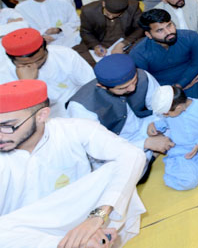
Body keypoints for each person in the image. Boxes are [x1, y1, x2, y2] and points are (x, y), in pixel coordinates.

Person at [0, 79, 146, 247]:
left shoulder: (73, 129)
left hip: (81, 218)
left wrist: (97, 217)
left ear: (41, 115)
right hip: (26, 234)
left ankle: (90, 238)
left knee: (118, 169)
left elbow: (133, 155)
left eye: (7, 126)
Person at [66, 54, 174, 164]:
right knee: (122, 166)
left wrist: (157, 125)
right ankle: (150, 155)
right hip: (117, 140)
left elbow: (159, 108)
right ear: (102, 86)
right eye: (123, 88)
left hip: (145, 126)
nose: (132, 88)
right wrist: (145, 143)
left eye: (134, 81)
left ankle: (151, 155)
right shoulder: (80, 106)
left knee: (182, 123)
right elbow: (98, 147)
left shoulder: (143, 75)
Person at [131, 9, 198, 102]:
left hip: (190, 75)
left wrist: (180, 85)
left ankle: (182, 101)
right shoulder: (138, 53)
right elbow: (147, 82)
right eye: (160, 30)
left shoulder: (191, 37)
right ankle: (194, 98)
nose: (169, 32)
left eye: (169, 25)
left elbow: (196, 65)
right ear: (148, 34)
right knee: (150, 97)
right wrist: (174, 89)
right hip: (164, 86)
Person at [0, 28, 94, 118]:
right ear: (12, 60)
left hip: (78, 104)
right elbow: (21, 115)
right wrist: (26, 84)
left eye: (39, 60)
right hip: (45, 118)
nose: (34, 66)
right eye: (26, 64)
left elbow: (91, 85)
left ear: (46, 49)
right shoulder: (4, 75)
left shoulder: (64, 54)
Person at [74, 0, 144, 66]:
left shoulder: (133, 7)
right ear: (103, 4)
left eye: (116, 16)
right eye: (107, 14)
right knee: (79, 61)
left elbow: (140, 28)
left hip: (126, 41)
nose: (111, 17)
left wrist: (123, 44)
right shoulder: (88, 10)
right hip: (99, 41)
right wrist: (96, 46)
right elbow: (85, 32)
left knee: (135, 59)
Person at [14, 0, 80, 48]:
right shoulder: (20, 8)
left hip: (65, 38)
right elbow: (23, 30)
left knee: (79, 35)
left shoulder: (62, 2)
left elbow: (75, 21)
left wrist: (60, 29)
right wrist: (41, 35)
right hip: (39, 43)